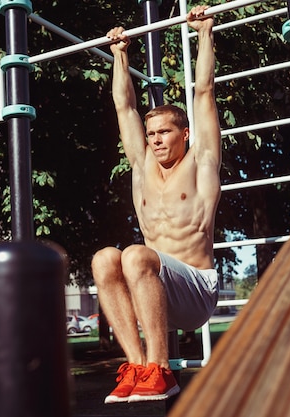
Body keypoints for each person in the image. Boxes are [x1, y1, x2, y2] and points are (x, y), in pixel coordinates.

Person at [92, 5, 221, 404]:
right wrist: (120, 54)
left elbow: (204, 92)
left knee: (134, 255)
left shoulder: (202, 163)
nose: (156, 140)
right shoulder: (142, 165)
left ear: (185, 133)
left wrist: (203, 33)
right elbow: (124, 107)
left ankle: (161, 370)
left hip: (196, 290)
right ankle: (138, 366)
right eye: (151, 134)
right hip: (153, 287)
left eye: (165, 132)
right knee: (102, 259)